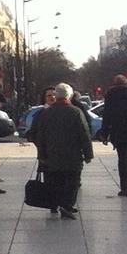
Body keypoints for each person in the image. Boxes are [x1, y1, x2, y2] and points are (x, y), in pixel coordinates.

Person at [31, 82, 93, 220]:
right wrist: (88, 154)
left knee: (56, 180)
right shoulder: (75, 112)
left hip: (52, 154)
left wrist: (41, 154)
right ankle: (67, 205)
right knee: (73, 180)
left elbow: (40, 135)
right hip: (73, 154)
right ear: (69, 96)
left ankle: (58, 203)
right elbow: (84, 133)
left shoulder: (46, 113)